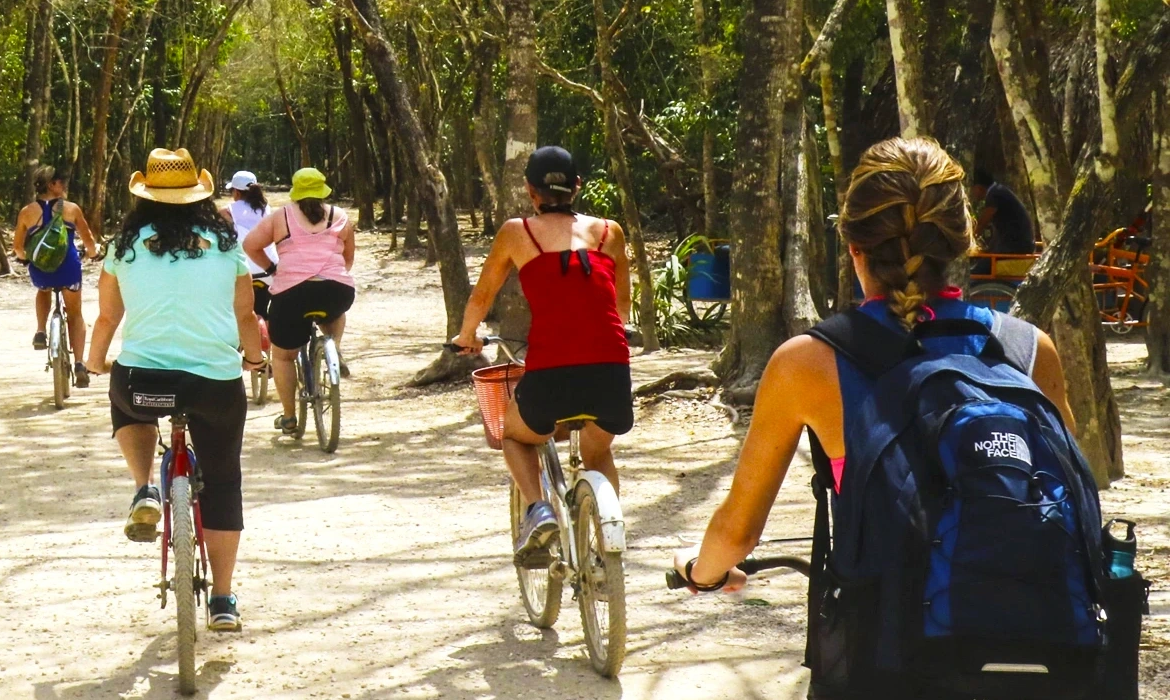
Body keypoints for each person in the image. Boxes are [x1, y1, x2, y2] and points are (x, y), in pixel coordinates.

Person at [674, 138, 1077, 691]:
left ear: (853, 246)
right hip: (1041, 657)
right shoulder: (1028, 348)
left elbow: (739, 531)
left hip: (892, 659)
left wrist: (702, 573)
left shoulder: (810, 362)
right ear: (962, 240)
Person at [86, 148, 264, 631]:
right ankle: (223, 600)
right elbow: (245, 315)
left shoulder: (124, 244)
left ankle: (144, 486)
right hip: (214, 384)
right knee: (223, 482)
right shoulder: (225, 242)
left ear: (143, 195)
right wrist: (254, 358)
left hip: (142, 381)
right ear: (199, 195)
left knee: (128, 408)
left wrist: (93, 359)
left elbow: (107, 316)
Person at [450, 146, 633, 567]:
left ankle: (538, 509)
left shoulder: (518, 232)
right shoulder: (610, 232)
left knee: (512, 434)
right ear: (577, 188)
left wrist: (466, 336)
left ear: (531, 191)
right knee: (599, 450)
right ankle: (606, 556)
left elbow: (482, 296)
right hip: (610, 371)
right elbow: (620, 309)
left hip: (553, 370)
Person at [243, 167, 355, 435]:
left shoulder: (281, 216)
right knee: (335, 310)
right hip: (337, 290)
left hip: (291, 293)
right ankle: (334, 348)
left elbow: (250, 245)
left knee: (283, 356)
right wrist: (330, 276)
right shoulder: (341, 217)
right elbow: (348, 259)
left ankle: (290, 416)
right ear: (323, 190)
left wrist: (272, 269)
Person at [12, 165, 99, 388]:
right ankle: (80, 364)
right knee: (76, 314)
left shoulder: (26, 212)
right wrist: (94, 254)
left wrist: (25, 259)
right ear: (52, 185)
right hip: (69, 268)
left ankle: (41, 331)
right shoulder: (71, 209)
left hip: (41, 272)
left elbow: (18, 248)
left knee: (43, 290)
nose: (64, 185)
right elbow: (88, 241)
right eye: (61, 181)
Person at [220, 170, 276, 318]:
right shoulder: (267, 209)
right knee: (263, 310)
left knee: (239, 313)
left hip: (243, 272)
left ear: (236, 193)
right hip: (269, 270)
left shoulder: (226, 212)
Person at [970, 168, 1036, 254]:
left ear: (979, 187)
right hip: (1021, 244)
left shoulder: (994, 194)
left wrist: (968, 240)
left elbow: (982, 224)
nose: (972, 193)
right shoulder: (998, 191)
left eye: (972, 189)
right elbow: (999, 231)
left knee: (979, 267)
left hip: (1017, 246)